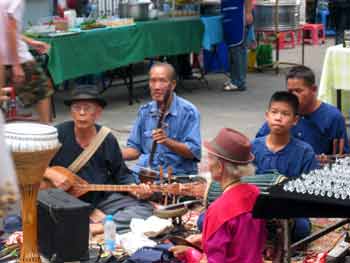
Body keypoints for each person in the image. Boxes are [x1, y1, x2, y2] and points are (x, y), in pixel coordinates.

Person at [44, 87, 153, 234]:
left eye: (87, 108)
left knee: (145, 208)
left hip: (100, 198)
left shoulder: (106, 138)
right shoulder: (57, 135)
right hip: (64, 199)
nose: (82, 113)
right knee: (34, 213)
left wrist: (136, 189)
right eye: (77, 108)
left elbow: (121, 174)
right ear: (71, 112)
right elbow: (31, 166)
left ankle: (98, 227)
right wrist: (50, 173)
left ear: (98, 113)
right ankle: (102, 223)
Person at [170, 128, 266, 263]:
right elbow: (241, 241)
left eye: (209, 159)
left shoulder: (218, 210)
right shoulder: (255, 193)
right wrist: (204, 239)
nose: (207, 164)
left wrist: (190, 253)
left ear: (220, 166)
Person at [122, 63, 201, 180]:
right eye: (152, 81)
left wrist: (167, 141)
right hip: (145, 173)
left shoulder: (188, 112)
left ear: (173, 84)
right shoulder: (145, 111)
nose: (156, 87)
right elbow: (135, 149)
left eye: (162, 81)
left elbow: (193, 152)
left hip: (175, 175)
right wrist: (110, 152)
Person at [256, 65, 349, 158]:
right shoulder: (282, 113)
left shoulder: (333, 117)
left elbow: (342, 157)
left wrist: (325, 161)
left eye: (298, 91)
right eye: (290, 91)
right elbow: (259, 145)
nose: (293, 95)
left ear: (314, 89)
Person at [0, 0, 53, 123]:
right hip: (15, 57)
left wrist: (30, 42)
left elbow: (7, 28)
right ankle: (46, 132)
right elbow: (10, 31)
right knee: (43, 91)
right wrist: (16, 64)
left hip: (4, 58)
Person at [252, 91, 319, 178]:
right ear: (267, 115)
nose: (278, 118)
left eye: (285, 114)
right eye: (274, 112)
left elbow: (310, 185)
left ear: (295, 120)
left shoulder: (304, 152)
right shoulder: (252, 148)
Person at [222, 0, 253, 91]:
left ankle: (239, 82)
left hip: (239, 16)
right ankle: (234, 79)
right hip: (231, 14)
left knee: (237, 49)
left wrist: (248, 12)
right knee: (233, 49)